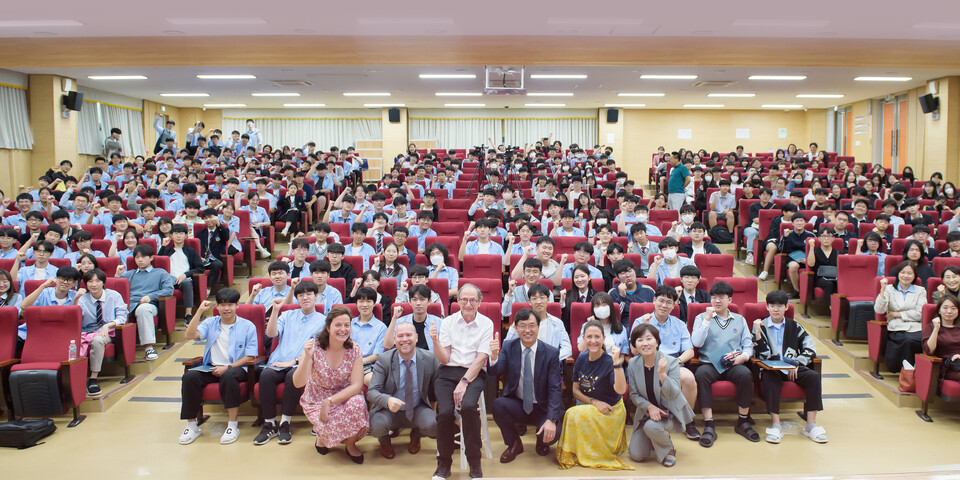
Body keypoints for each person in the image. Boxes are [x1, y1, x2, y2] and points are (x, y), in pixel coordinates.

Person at [428, 284, 494, 480]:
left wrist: (464, 382)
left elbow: (482, 358)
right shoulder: (447, 322)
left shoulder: (486, 323)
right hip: (448, 371)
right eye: (464, 299)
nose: (468, 303)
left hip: (473, 372)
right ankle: (443, 464)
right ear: (458, 302)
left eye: (472, 300)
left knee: (468, 408)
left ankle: (475, 463)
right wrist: (435, 342)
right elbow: (444, 359)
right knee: (446, 412)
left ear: (479, 303)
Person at [178, 290, 258, 445]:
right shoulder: (210, 322)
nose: (226, 308)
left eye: (230, 305)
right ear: (217, 307)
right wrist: (200, 311)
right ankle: (192, 425)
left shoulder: (248, 326)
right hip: (212, 367)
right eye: (222, 305)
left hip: (237, 368)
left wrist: (228, 367)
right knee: (189, 377)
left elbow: (250, 356)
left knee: (229, 375)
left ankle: (232, 425)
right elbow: (190, 335)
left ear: (237, 305)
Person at [254, 281, 325, 446]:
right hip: (278, 362)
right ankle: (269, 423)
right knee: (266, 375)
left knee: (293, 376)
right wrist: (276, 311)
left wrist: (294, 361)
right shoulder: (287, 315)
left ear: (316, 296)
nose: (305, 298)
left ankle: (285, 423)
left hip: (300, 364)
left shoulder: (324, 321)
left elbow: (320, 350)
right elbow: (271, 333)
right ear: (297, 298)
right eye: (301, 295)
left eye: (309, 294)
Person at [295, 305, 368, 462]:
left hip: (343, 396)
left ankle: (350, 445)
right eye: (338, 325)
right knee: (327, 422)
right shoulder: (314, 347)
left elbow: (356, 386)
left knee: (357, 402)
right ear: (328, 327)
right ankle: (322, 435)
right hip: (316, 398)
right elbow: (298, 382)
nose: (343, 329)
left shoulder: (355, 349)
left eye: (346, 325)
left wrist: (330, 401)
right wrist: (307, 357)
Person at [490, 308, 565, 463]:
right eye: (522, 326)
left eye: (532, 325)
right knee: (498, 405)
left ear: (539, 327)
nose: (527, 330)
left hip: (543, 406)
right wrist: (494, 357)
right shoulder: (509, 347)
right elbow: (494, 372)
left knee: (551, 435)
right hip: (519, 404)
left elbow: (555, 389)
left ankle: (541, 438)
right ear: (515, 328)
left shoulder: (550, 353)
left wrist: (551, 419)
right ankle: (514, 443)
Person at [753, 290, 826, 444]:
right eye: (772, 306)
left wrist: (796, 363)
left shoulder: (795, 326)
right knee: (770, 379)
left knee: (813, 377)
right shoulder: (760, 326)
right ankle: (776, 425)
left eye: (780, 306)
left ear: (786, 307)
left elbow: (810, 347)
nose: (776, 309)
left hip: (793, 366)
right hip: (770, 368)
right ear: (767, 307)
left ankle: (811, 425)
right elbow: (762, 355)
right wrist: (758, 336)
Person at [556, 319, 631, 471]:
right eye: (589, 337)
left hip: (611, 410)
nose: (593, 341)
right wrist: (594, 402)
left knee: (571, 414)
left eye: (597, 337)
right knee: (572, 412)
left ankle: (581, 453)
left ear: (603, 339)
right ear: (583, 339)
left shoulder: (610, 361)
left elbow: (621, 390)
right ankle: (580, 451)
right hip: (592, 404)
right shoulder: (582, 358)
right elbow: (575, 391)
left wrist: (617, 364)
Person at [691, 281, 758, 446]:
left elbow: (748, 345)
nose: (717, 301)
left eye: (721, 297)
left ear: (730, 300)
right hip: (709, 363)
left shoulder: (740, 320)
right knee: (701, 374)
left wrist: (744, 356)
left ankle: (743, 422)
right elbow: (697, 343)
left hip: (733, 364)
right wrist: (707, 319)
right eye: (713, 297)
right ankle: (709, 423)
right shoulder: (701, 317)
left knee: (745, 374)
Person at [630, 285, 699, 436]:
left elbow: (690, 351)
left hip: (673, 363)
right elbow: (634, 351)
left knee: (688, 378)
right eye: (661, 301)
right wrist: (644, 326)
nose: (664, 305)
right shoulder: (641, 321)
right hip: (647, 364)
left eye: (669, 302)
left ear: (674, 305)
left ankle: (687, 421)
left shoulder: (679, 324)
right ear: (654, 300)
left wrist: (675, 362)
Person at [626, 323, 695, 467]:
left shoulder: (671, 362)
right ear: (635, 345)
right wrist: (649, 407)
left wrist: (662, 374)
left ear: (657, 342)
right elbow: (633, 394)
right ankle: (655, 438)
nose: (645, 343)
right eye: (639, 340)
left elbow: (674, 394)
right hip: (646, 413)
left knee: (652, 427)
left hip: (669, 411)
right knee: (637, 455)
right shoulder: (633, 363)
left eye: (649, 339)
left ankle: (668, 448)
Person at [367, 321, 440, 459]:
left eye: (408, 335)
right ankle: (384, 441)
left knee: (433, 424)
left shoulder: (430, 359)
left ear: (417, 337)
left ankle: (416, 435)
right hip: (389, 410)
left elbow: (441, 391)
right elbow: (371, 392)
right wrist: (387, 400)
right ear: (394, 340)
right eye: (400, 336)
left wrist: (456, 416)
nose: (405, 339)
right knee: (376, 427)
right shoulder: (384, 360)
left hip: (417, 407)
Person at [75, 268, 128, 395]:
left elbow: (122, 317)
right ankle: (75, 379)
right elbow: (75, 316)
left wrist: (108, 325)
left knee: (97, 340)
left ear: (103, 282)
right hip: (87, 331)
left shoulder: (114, 295)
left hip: (109, 332)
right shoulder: (83, 298)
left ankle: (93, 378)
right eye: (90, 281)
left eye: (97, 281)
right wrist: (76, 299)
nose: (94, 285)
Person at [875, 261, 927, 373]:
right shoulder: (889, 289)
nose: (906, 276)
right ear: (898, 274)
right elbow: (879, 310)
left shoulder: (920, 290)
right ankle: (905, 371)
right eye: (903, 272)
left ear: (914, 276)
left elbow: (920, 313)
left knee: (920, 340)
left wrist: (896, 314)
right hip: (896, 327)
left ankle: (919, 371)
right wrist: (882, 290)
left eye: (909, 273)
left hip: (916, 327)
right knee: (908, 340)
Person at [504, 284, 572, 361]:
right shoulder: (522, 322)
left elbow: (567, 348)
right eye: (534, 298)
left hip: (550, 365)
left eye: (542, 298)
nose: (539, 302)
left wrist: (551, 358)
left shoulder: (557, 323)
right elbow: (507, 345)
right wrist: (513, 328)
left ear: (548, 300)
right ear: (529, 302)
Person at [159, 224, 205, 323]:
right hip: (169, 279)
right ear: (171, 235)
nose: (178, 236)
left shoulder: (191, 251)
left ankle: (188, 314)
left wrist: (186, 274)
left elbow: (200, 268)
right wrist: (163, 246)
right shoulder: (167, 251)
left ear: (186, 235)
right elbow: (158, 262)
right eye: (176, 233)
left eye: (181, 233)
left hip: (184, 279)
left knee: (187, 283)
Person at [922, 295, 960, 382]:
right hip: (946, 366)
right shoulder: (931, 327)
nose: (949, 311)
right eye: (945, 308)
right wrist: (936, 329)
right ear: (939, 310)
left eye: (953, 308)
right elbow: (929, 350)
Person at [609, 259, 655, 327]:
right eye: (623, 273)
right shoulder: (612, 293)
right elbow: (613, 318)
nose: (628, 275)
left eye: (630, 271)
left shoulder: (648, 290)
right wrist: (621, 297)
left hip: (648, 325)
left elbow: (657, 312)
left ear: (635, 272)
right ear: (617, 278)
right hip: (625, 327)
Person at [807, 227, 839, 300]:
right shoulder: (815, 251)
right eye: (824, 236)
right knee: (828, 284)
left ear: (833, 238)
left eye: (829, 236)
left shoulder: (838, 253)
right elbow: (811, 264)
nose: (826, 239)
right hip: (819, 279)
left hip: (835, 278)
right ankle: (832, 308)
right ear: (819, 238)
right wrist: (811, 247)